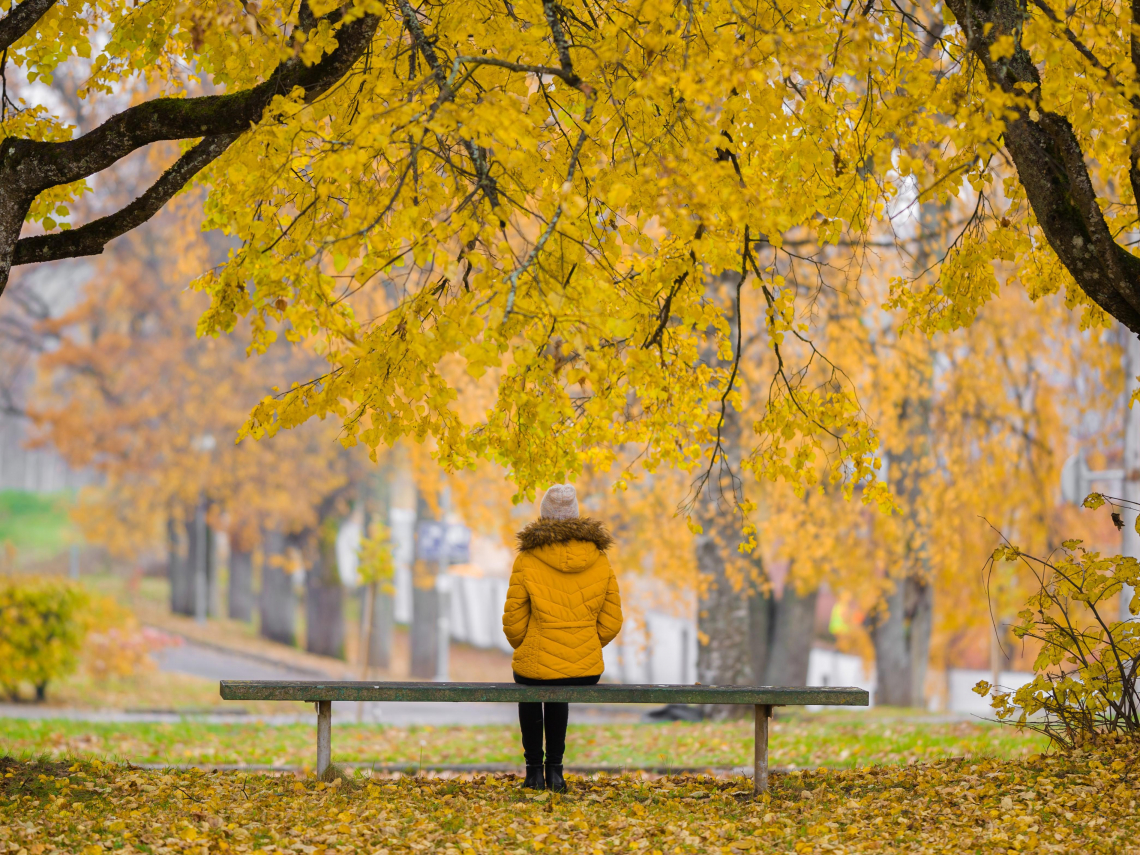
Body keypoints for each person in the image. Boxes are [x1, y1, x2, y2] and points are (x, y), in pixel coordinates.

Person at [502, 484, 623, 792]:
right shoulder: (600, 560)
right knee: (562, 679)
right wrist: (585, 644)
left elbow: (514, 621)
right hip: (585, 669)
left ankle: (533, 773)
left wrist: (528, 645)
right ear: (576, 516)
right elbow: (611, 622)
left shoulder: (528, 559)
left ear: (544, 516)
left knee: (532, 680)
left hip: (537, 664)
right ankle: (555, 772)